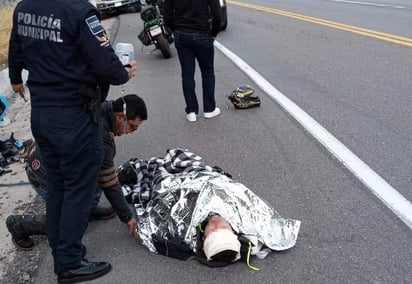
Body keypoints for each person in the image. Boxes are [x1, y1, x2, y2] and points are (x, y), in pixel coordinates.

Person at [8, 1, 137, 282]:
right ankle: (69, 262)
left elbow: (15, 51)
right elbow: (109, 67)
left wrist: (16, 76)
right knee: (79, 190)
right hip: (74, 116)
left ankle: (60, 248)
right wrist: (125, 71)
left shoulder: (24, 7)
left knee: (58, 188)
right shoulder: (80, 12)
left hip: (42, 115)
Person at [6, 94, 147, 251]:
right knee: (70, 226)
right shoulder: (98, 135)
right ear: (121, 117)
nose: (133, 131)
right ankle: (19, 225)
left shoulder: (102, 109)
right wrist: (127, 217)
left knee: (94, 170)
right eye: (133, 127)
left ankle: (88, 209)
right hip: (43, 175)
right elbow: (109, 181)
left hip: (47, 161)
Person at [117, 148, 301, 268]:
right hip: (206, 176)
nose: (215, 223)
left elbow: (157, 221)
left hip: (181, 185)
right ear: (233, 230)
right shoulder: (246, 221)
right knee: (186, 158)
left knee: (156, 173)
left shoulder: (187, 230)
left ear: (203, 236)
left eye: (211, 231)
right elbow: (252, 204)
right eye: (222, 228)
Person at [163, 0, 223, 122]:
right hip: (202, 33)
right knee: (207, 73)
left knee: (187, 74)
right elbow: (217, 15)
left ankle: (191, 111)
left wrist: (176, 31)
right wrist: (213, 34)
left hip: (182, 34)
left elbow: (167, 17)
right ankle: (209, 109)